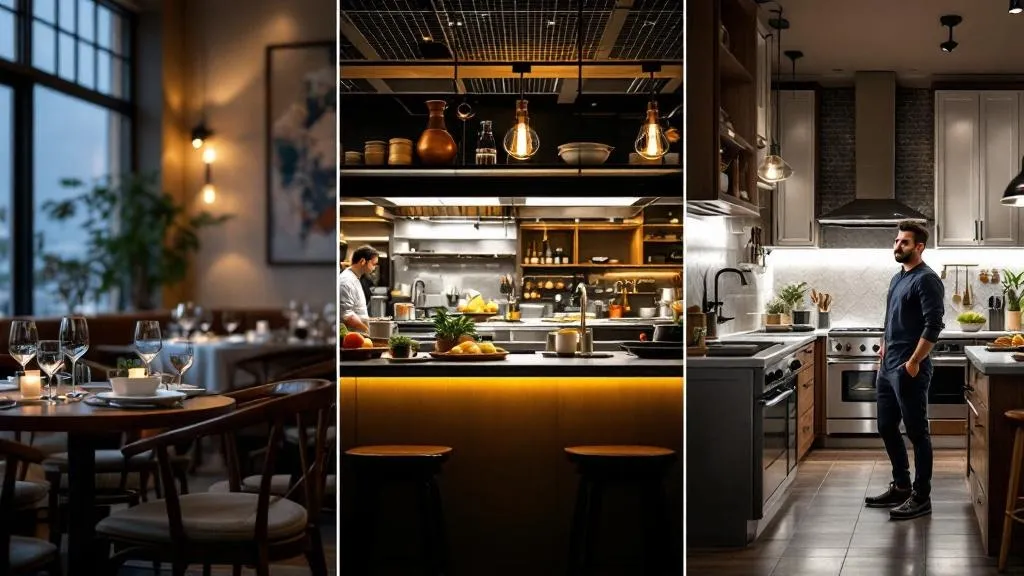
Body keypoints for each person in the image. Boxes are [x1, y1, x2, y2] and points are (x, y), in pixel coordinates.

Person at [864, 220, 945, 520]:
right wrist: (883, 344)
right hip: (888, 366)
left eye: (904, 243)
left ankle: (921, 496)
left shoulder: (926, 280)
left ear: (919, 247)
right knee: (886, 426)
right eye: (897, 241)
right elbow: (890, 317)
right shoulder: (898, 277)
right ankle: (901, 484)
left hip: (909, 368)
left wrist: (913, 362)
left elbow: (933, 325)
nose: (897, 246)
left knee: (917, 433)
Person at [339, 245, 378, 333]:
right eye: (373, 264)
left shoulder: (354, 278)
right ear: (363, 261)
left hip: (359, 335)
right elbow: (347, 316)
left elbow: (357, 311)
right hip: (352, 338)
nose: (374, 267)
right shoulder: (346, 281)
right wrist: (368, 331)